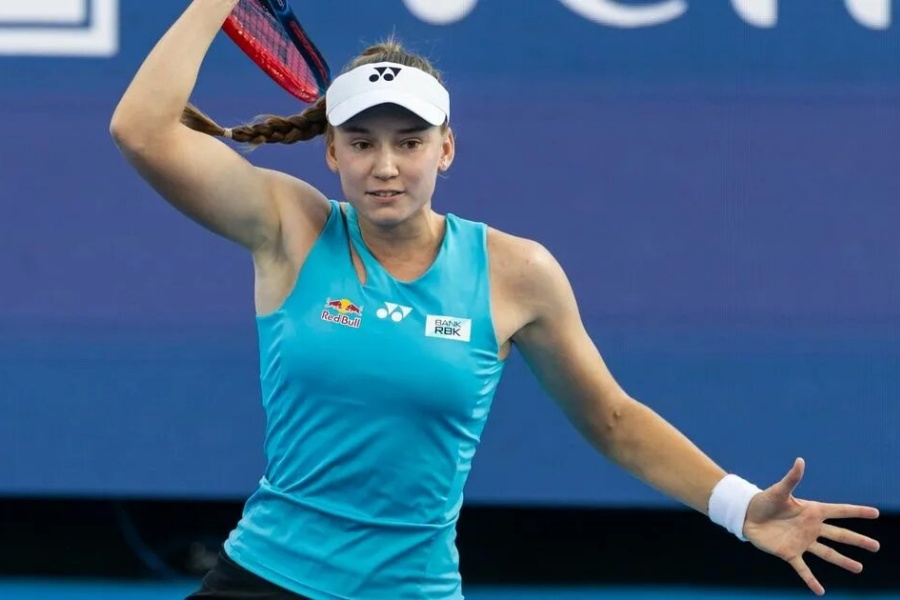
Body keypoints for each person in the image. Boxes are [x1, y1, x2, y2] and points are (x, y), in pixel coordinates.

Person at [109, 1, 881, 598]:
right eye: (364, 143)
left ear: (446, 148)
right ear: (332, 152)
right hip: (265, 578)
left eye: (410, 142)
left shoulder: (516, 272)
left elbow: (611, 419)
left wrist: (739, 506)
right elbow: (141, 130)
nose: (386, 165)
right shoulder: (291, 226)